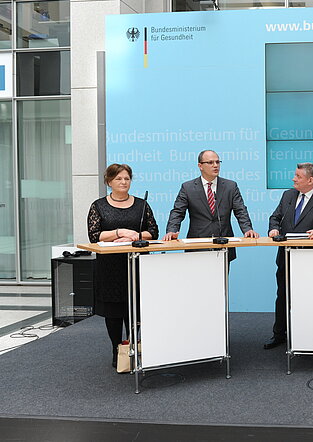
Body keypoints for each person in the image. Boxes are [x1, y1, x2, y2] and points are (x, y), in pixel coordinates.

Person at [87, 164, 158, 368]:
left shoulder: (142, 205)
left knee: (135, 310)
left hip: (136, 264)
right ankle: (117, 349)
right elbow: (94, 235)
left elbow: (153, 231)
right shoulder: (98, 206)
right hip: (110, 267)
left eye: (127, 178)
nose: (123, 182)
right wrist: (120, 232)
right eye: (118, 179)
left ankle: (134, 346)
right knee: (114, 312)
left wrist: (135, 235)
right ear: (109, 182)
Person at [265, 162, 313, 349]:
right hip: (286, 255)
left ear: (310, 180)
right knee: (283, 294)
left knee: (309, 296)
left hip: (309, 258)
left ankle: (307, 334)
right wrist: (274, 228)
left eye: (298, 176)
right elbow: (275, 217)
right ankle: (279, 334)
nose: (293, 179)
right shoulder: (288, 195)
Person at [163, 150, 259, 258]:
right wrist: (172, 230)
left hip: (223, 244)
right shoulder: (188, 187)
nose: (215, 166)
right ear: (200, 166)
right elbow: (177, 212)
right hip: (198, 245)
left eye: (218, 162)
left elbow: (240, 210)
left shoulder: (230, 186)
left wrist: (247, 229)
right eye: (210, 162)